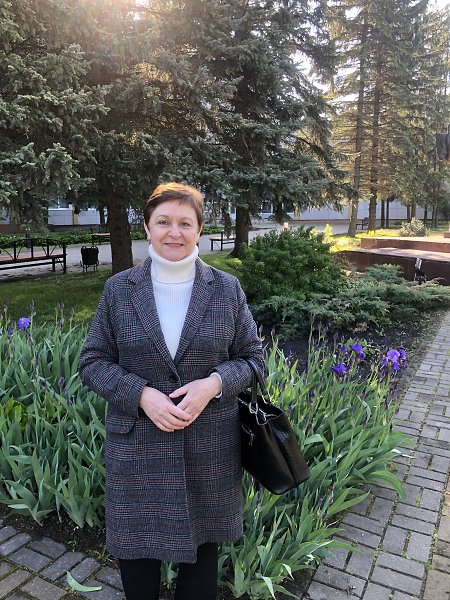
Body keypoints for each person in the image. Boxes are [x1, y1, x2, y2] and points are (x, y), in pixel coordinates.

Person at [78, 182, 264, 600]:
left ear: (199, 229)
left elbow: (254, 360)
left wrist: (214, 384)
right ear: (147, 228)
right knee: (138, 567)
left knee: (200, 569)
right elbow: (91, 362)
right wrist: (141, 394)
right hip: (138, 450)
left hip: (208, 449)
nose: (174, 232)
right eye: (163, 222)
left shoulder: (226, 289)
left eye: (185, 222)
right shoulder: (119, 290)